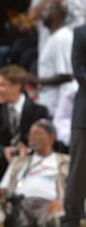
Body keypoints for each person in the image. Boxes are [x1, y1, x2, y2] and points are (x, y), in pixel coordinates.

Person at [0, 119, 68, 226]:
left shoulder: (65, 161)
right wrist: (5, 196)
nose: (32, 137)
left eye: (37, 134)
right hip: (17, 204)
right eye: (30, 134)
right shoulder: (19, 161)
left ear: (51, 138)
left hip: (48, 204)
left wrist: (63, 200)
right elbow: (3, 189)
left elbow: (76, 189)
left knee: (58, 213)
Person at [0, 64, 50, 198]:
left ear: (17, 86)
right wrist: (4, 150)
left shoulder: (39, 111)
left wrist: (28, 149)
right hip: (3, 156)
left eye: (2, 85)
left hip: (30, 154)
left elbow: (45, 141)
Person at [62, 23, 86, 226]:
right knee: (78, 171)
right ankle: (71, 219)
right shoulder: (81, 33)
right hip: (85, 115)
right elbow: (80, 72)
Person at [36, 2, 79, 115]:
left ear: (58, 14)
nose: (43, 14)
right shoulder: (53, 37)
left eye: (47, 10)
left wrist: (36, 80)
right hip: (48, 102)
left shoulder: (62, 37)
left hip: (57, 107)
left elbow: (67, 75)